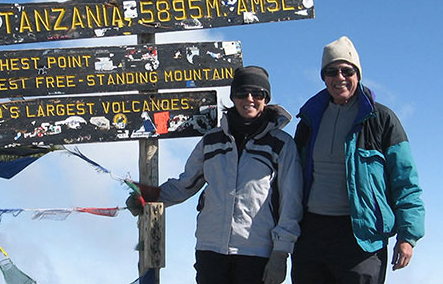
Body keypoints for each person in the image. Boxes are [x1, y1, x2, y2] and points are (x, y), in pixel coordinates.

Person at [127, 66, 303, 284]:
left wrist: (281, 252)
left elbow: (291, 202)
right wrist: (149, 196)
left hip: (256, 252)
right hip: (210, 250)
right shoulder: (212, 141)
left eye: (257, 94)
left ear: (265, 99)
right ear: (233, 97)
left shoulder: (281, 145)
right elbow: (186, 184)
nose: (249, 99)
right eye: (242, 93)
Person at [291, 36, 425, 284]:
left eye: (347, 70)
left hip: (362, 237)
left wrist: (408, 236)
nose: (339, 77)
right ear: (323, 77)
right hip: (311, 233)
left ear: (358, 74)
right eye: (331, 71)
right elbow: (290, 178)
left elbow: (405, 181)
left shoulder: (381, 119)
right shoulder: (309, 119)